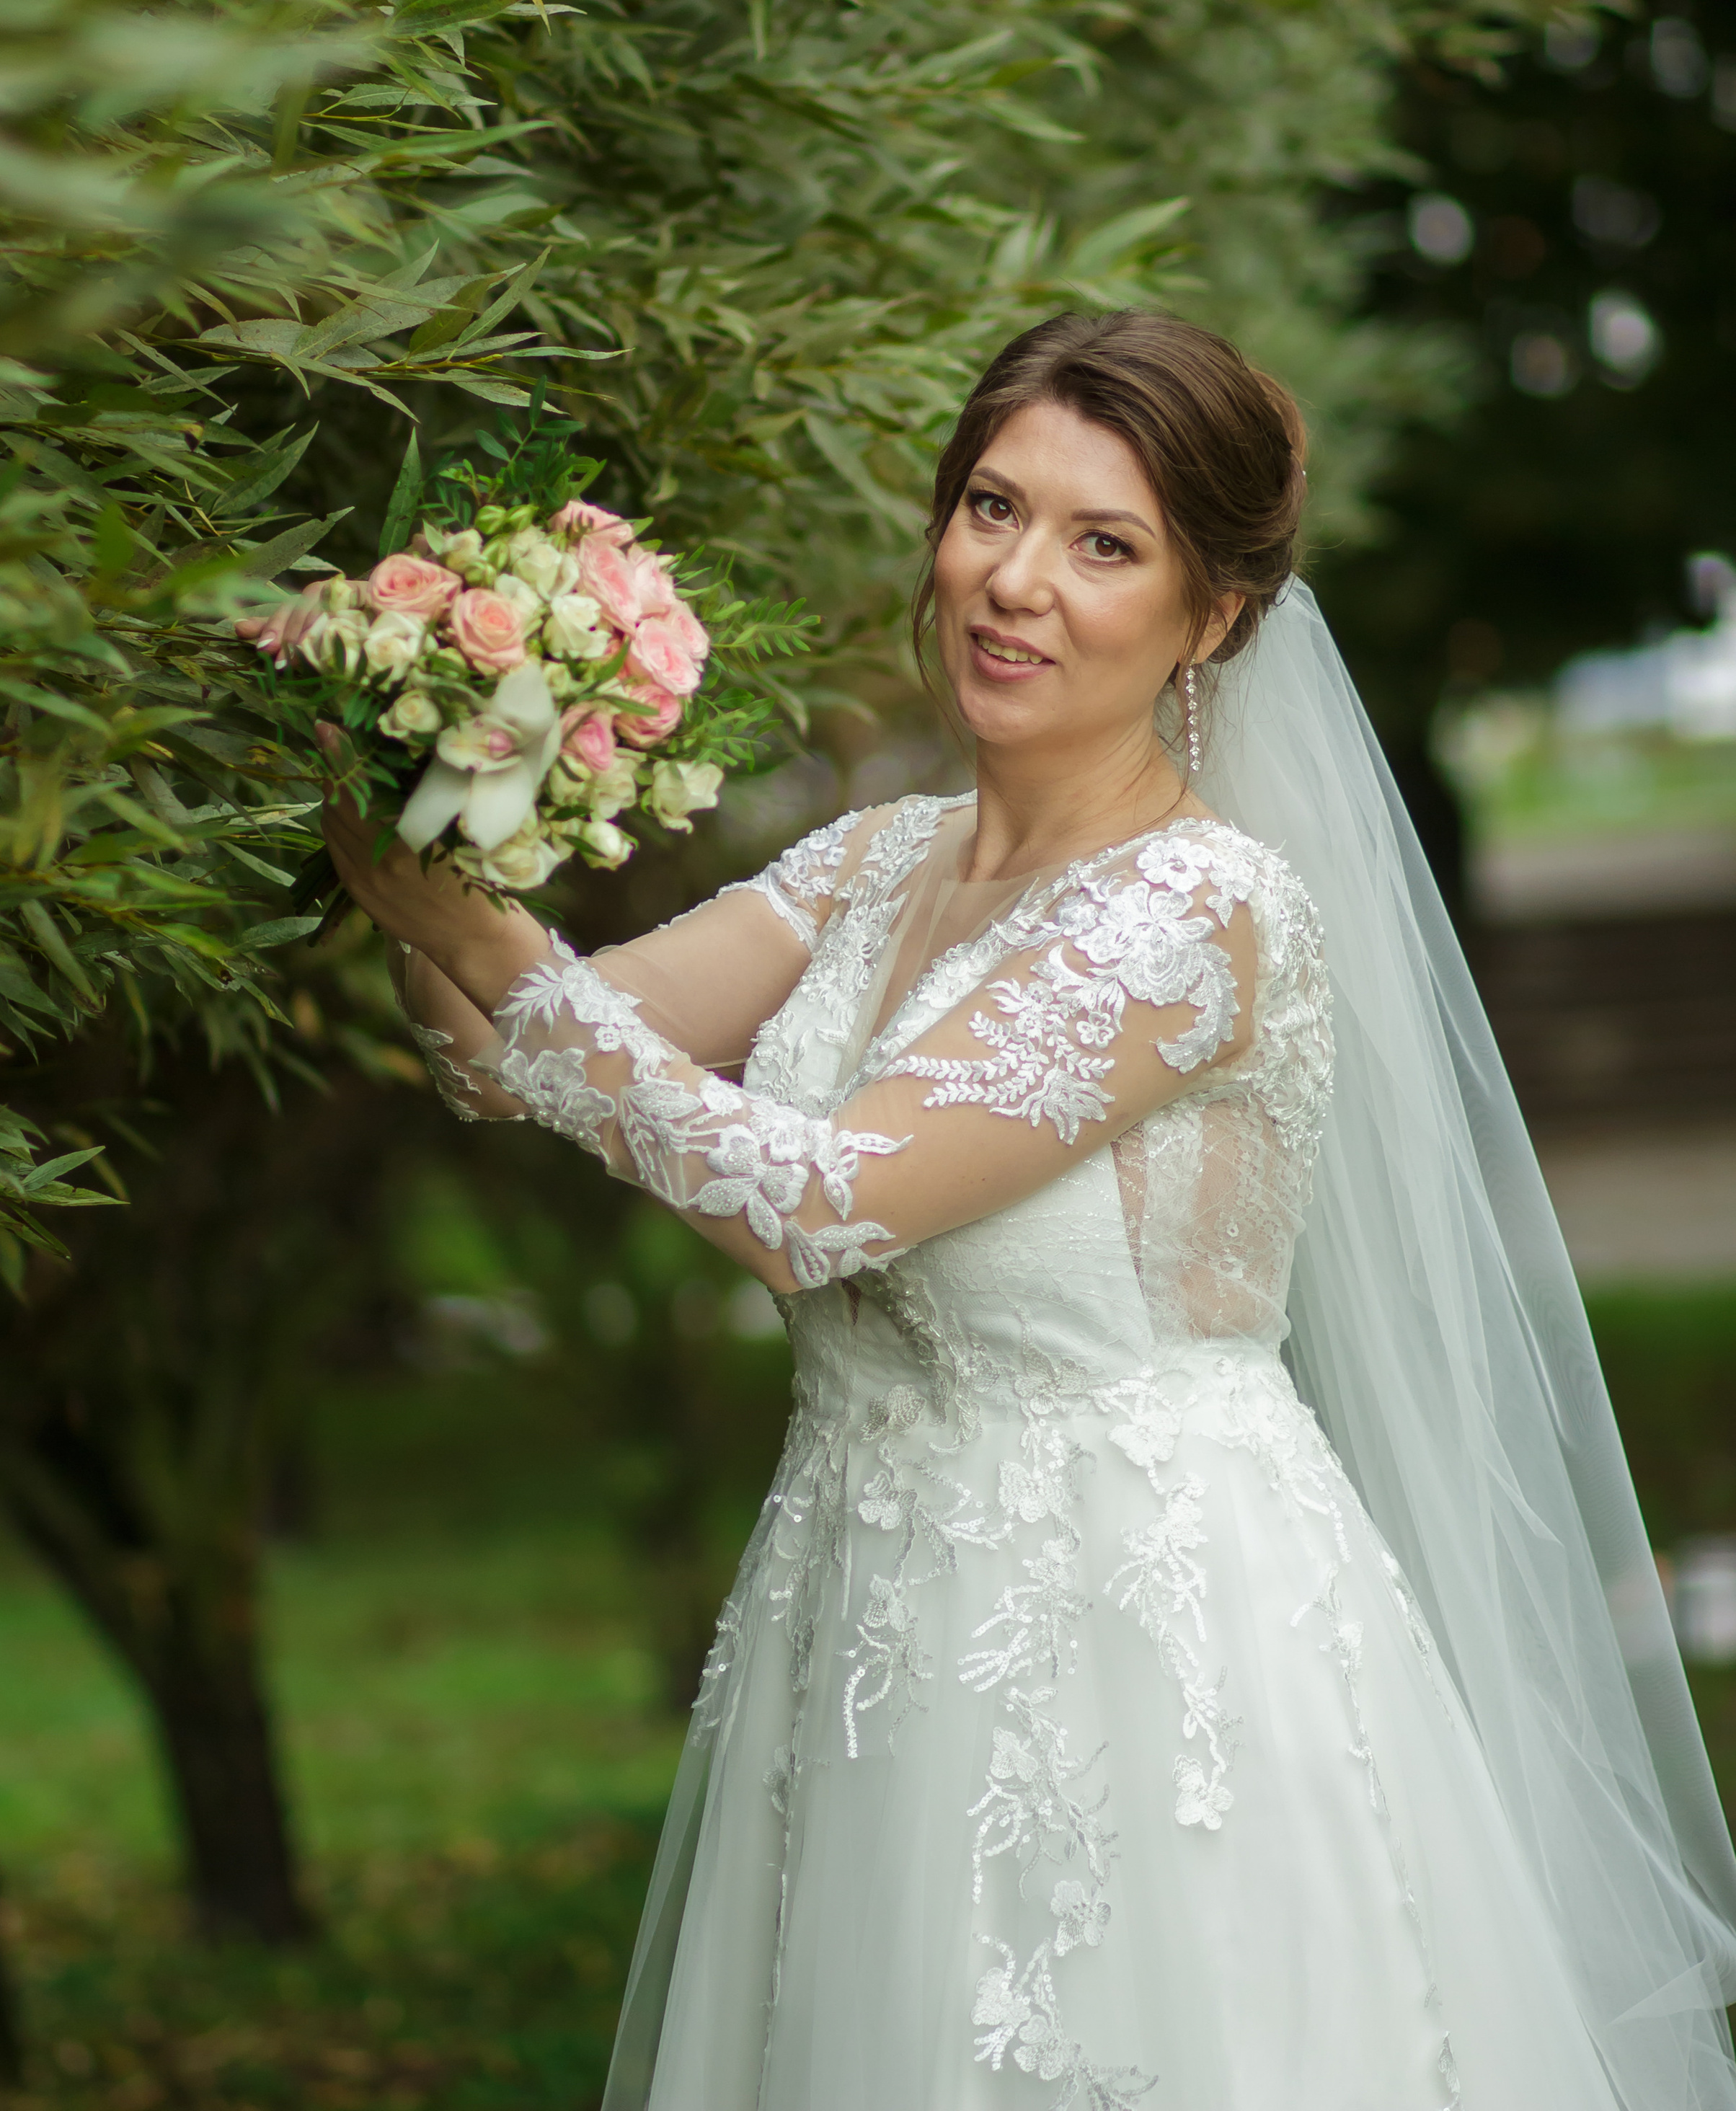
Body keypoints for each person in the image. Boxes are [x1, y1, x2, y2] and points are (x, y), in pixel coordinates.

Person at [323, 312, 1736, 2110]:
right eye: (991, 507)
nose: (1014, 581)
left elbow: (820, 1204)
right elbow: (504, 1056)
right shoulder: (873, 861)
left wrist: (493, 952)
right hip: (865, 1614)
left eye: (1102, 544)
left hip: (1136, 1644)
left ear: (1211, 616)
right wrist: (444, 797)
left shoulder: (1199, 912)